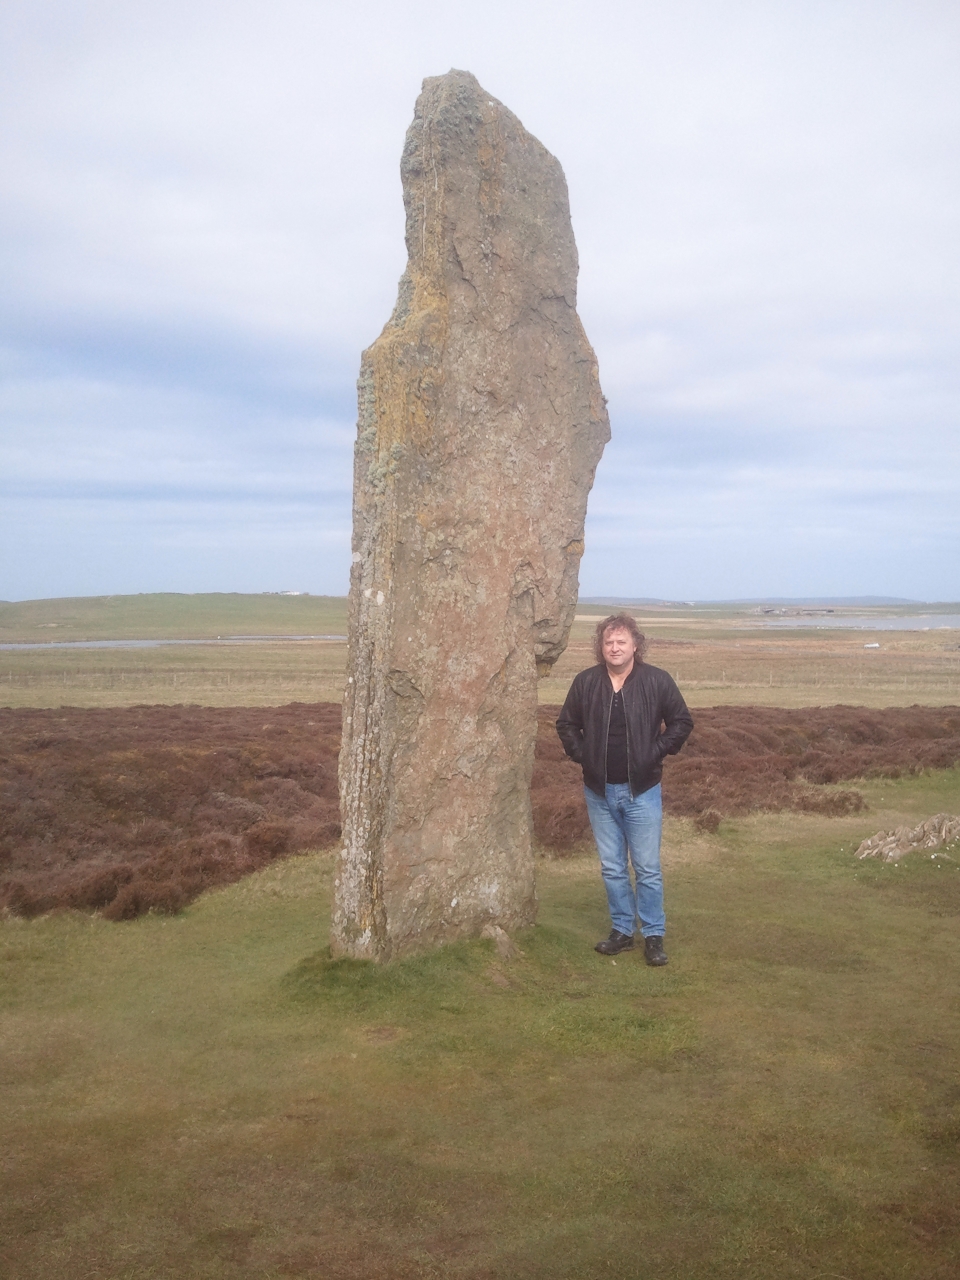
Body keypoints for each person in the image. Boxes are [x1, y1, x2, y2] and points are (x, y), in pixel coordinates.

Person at [556, 613, 693, 963]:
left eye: (621, 642)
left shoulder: (657, 681)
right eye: (608, 642)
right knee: (613, 867)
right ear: (601, 647)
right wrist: (583, 755)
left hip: (642, 791)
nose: (614, 648)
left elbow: (681, 722)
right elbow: (566, 723)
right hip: (599, 792)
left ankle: (653, 935)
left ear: (635, 645)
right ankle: (622, 930)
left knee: (647, 868)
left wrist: (655, 752)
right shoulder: (586, 682)